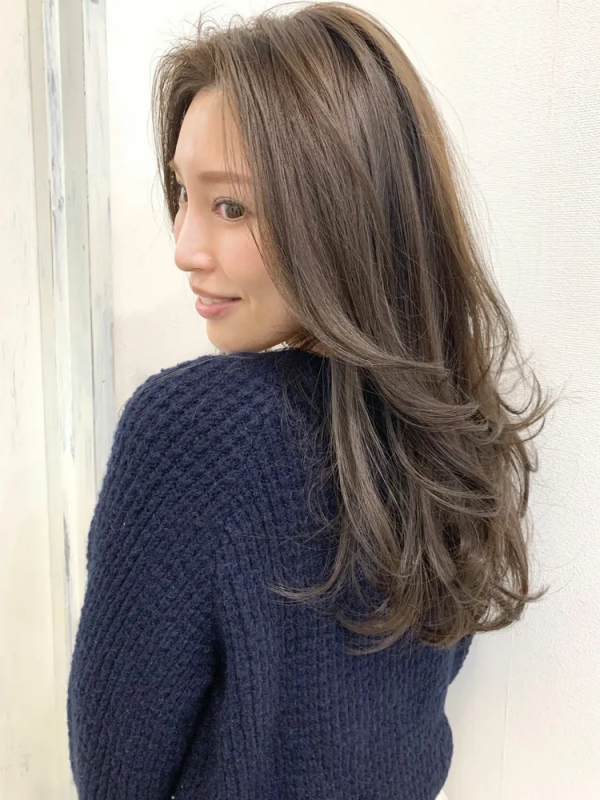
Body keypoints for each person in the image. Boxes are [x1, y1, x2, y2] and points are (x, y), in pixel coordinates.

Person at [66, 2, 557, 798]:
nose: (185, 246)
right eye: (182, 193)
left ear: (343, 212)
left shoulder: (195, 431)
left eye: (231, 206)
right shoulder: (454, 428)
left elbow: (117, 777)